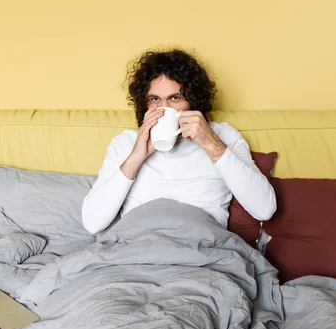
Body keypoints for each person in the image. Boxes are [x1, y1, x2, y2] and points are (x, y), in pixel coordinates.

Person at [82, 48, 276, 234]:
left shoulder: (223, 137)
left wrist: (210, 144)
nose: (163, 108)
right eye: (154, 100)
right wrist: (136, 156)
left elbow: (264, 209)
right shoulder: (125, 143)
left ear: (193, 100)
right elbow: (92, 223)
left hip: (200, 246)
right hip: (138, 246)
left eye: (175, 98)